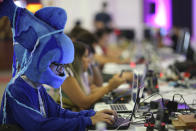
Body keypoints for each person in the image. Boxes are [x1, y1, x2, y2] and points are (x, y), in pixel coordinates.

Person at [0, 0, 116, 130]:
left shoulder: (37, 87)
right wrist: (88, 121)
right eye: (58, 65)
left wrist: (92, 114)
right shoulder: (17, 90)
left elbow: (59, 113)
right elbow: (39, 127)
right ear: (41, 61)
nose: (62, 71)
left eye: (63, 65)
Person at [58, 41, 133, 111]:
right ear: (77, 59)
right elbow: (84, 103)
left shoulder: (80, 73)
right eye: (86, 56)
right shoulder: (66, 75)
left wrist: (113, 86)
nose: (89, 60)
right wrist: (109, 87)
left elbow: (90, 92)